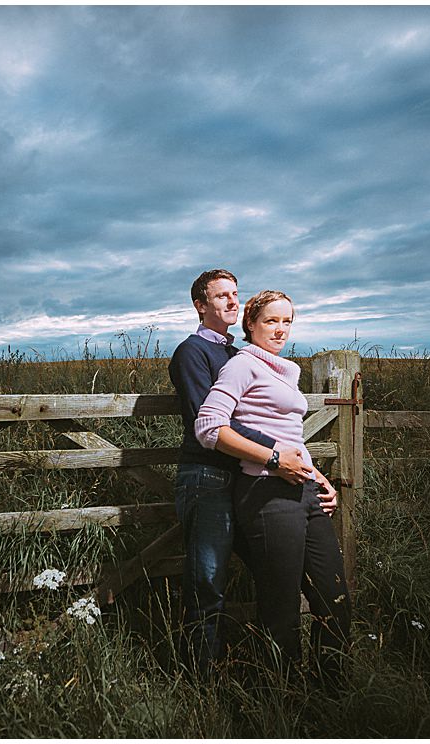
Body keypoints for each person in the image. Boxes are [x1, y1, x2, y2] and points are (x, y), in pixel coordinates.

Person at [169, 269, 328, 675]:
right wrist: (277, 452)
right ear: (200, 306)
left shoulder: (235, 353)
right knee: (207, 579)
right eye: (220, 296)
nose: (231, 301)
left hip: (244, 474)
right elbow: (205, 419)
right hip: (207, 476)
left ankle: (255, 662)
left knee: (271, 571)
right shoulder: (192, 352)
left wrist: (302, 464)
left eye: (235, 294)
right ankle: (201, 677)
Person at [195, 289, 351, 684]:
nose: (280, 329)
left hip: (302, 491)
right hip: (266, 494)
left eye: (287, 321)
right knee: (281, 608)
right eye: (271, 321)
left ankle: (331, 690)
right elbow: (209, 427)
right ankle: (281, 698)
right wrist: (275, 460)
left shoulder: (287, 370)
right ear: (250, 324)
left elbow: (289, 435)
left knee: (333, 598)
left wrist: (318, 477)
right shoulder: (242, 365)